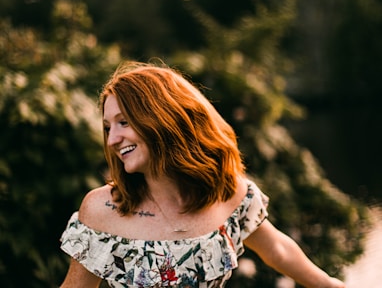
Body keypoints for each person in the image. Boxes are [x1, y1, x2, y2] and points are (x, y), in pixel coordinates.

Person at [60, 60, 345, 288]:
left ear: (163, 118)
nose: (112, 140)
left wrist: (330, 285)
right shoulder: (102, 209)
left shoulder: (229, 193)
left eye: (123, 122)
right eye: (108, 127)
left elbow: (277, 249)